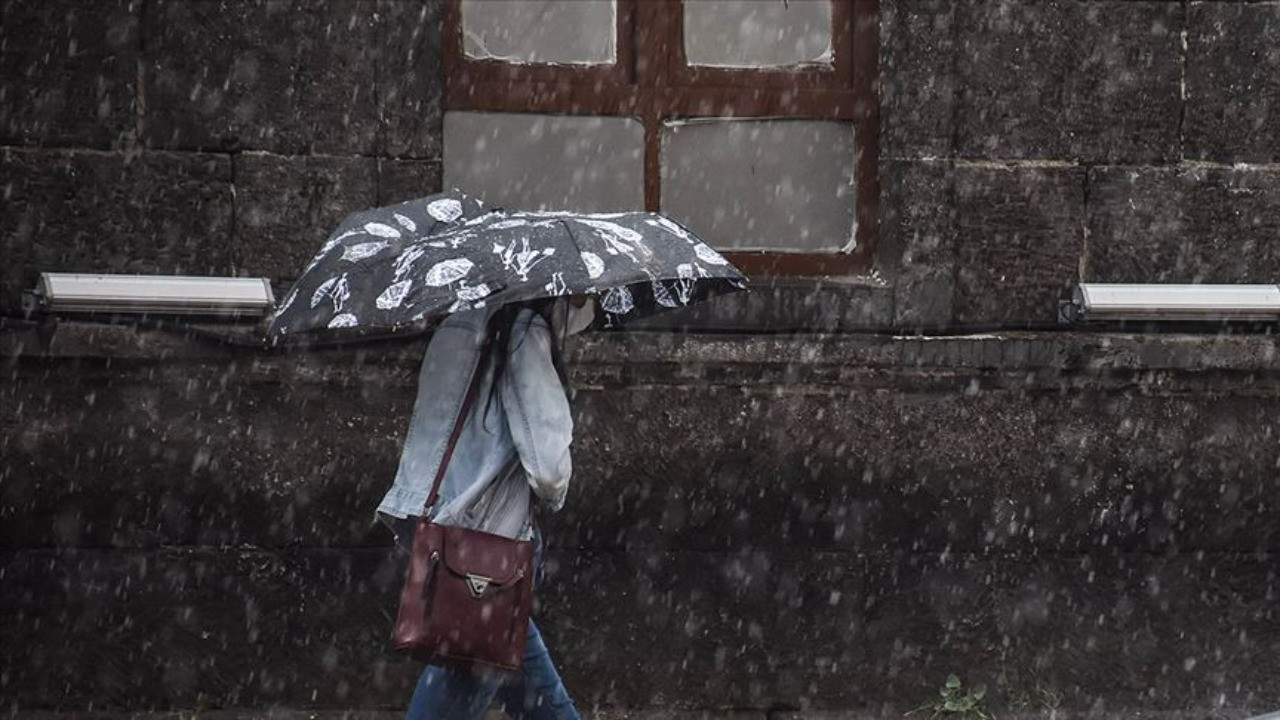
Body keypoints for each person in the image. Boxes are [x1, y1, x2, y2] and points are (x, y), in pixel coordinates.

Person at [376, 295, 594, 720]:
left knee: (534, 693)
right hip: (486, 550)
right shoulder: (524, 332)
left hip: (442, 533)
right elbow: (549, 471)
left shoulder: (458, 323)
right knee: (462, 686)